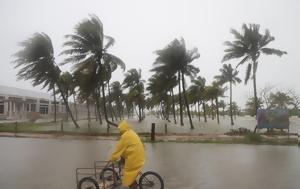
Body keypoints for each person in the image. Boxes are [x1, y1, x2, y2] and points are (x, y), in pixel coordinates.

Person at [109, 120, 145, 189]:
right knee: (124, 162)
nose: (119, 132)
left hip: (135, 159)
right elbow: (125, 148)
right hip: (140, 156)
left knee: (128, 175)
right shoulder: (131, 132)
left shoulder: (125, 136)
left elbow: (118, 150)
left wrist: (112, 159)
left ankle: (133, 185)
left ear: (122, 129)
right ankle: (133, 180)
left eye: (120, 130)